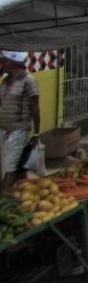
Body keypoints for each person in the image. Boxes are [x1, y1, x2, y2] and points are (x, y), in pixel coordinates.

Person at [0, 52, 40, 192]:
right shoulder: (5, 81)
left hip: (19, 130)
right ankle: (18, 192)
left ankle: (5, 199)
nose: (2, 63)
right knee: (8, 165)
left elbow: (35, 108)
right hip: (3, 130)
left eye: (4, 60)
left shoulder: (29, 81)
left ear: (13, 62)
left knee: (10, 166)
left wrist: (37, 133)